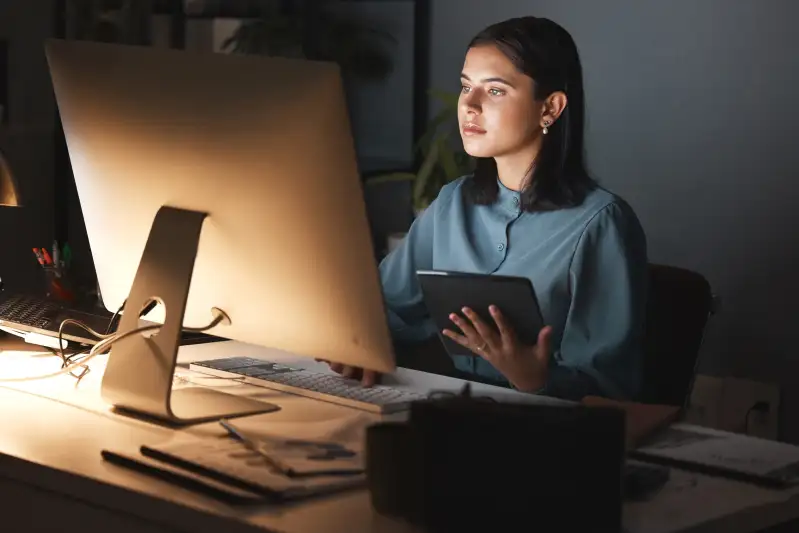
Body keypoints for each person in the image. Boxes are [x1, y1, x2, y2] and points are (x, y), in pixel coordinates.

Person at [328, 16, 648, 401]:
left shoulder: (600, 224)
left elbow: (612, 389)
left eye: (495, 91)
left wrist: (536, 378)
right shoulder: (452, 203)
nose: (469, 106)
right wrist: (357, 342)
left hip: (552, 433)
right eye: (466, 87)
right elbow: (383, 309)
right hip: (456, 412)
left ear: (550, 107)